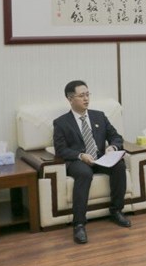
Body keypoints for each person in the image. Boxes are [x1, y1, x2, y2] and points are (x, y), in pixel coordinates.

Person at [52, 80, 130, 244]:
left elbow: (116, 137)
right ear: (70, 99)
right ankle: (79, 224)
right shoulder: (61, 123)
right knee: (84, 173)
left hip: (100, 157)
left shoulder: (99, 116)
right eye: (81, 96)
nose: (86, 99)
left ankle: (116, 211)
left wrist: (113, 147)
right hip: (78, 161)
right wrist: (81, 155)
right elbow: (61, 150)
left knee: (119, 165)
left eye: (88, 94)